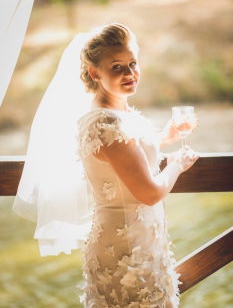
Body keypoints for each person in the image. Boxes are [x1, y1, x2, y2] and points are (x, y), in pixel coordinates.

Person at [12, 22, 199, 308]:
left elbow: (126, 157)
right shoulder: (107, 123)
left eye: (132, 63)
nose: (129, 73)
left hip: (142, 241)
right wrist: (176, 164)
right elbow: (148, 192)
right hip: (128, 252)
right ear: (94, 72)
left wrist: (165, 137)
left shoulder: (113, 113)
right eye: (117, 67)